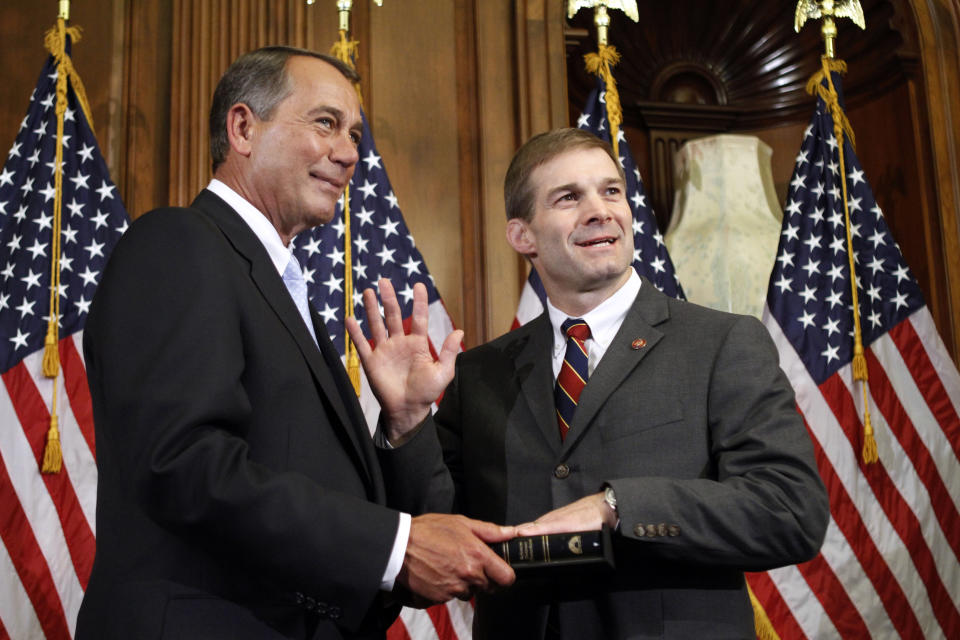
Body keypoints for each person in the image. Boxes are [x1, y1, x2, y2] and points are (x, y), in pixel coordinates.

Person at [75, 46, 515, 640]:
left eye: (355, 134)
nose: (350, 153)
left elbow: (350, 503)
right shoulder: (178, 243)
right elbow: (183, 463)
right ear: (242, 128)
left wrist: (406, 420)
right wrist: (394, 546)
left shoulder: (280, 288)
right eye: (326, 123)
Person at [354, 128, 830, 639]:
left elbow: (789, 511)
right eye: (568, 197)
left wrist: (617, 508)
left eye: (611, 191)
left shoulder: (720, 343)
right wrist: (406, 422)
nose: (601, 210)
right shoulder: (481, 372)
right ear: (522, 236)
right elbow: (442, 534)